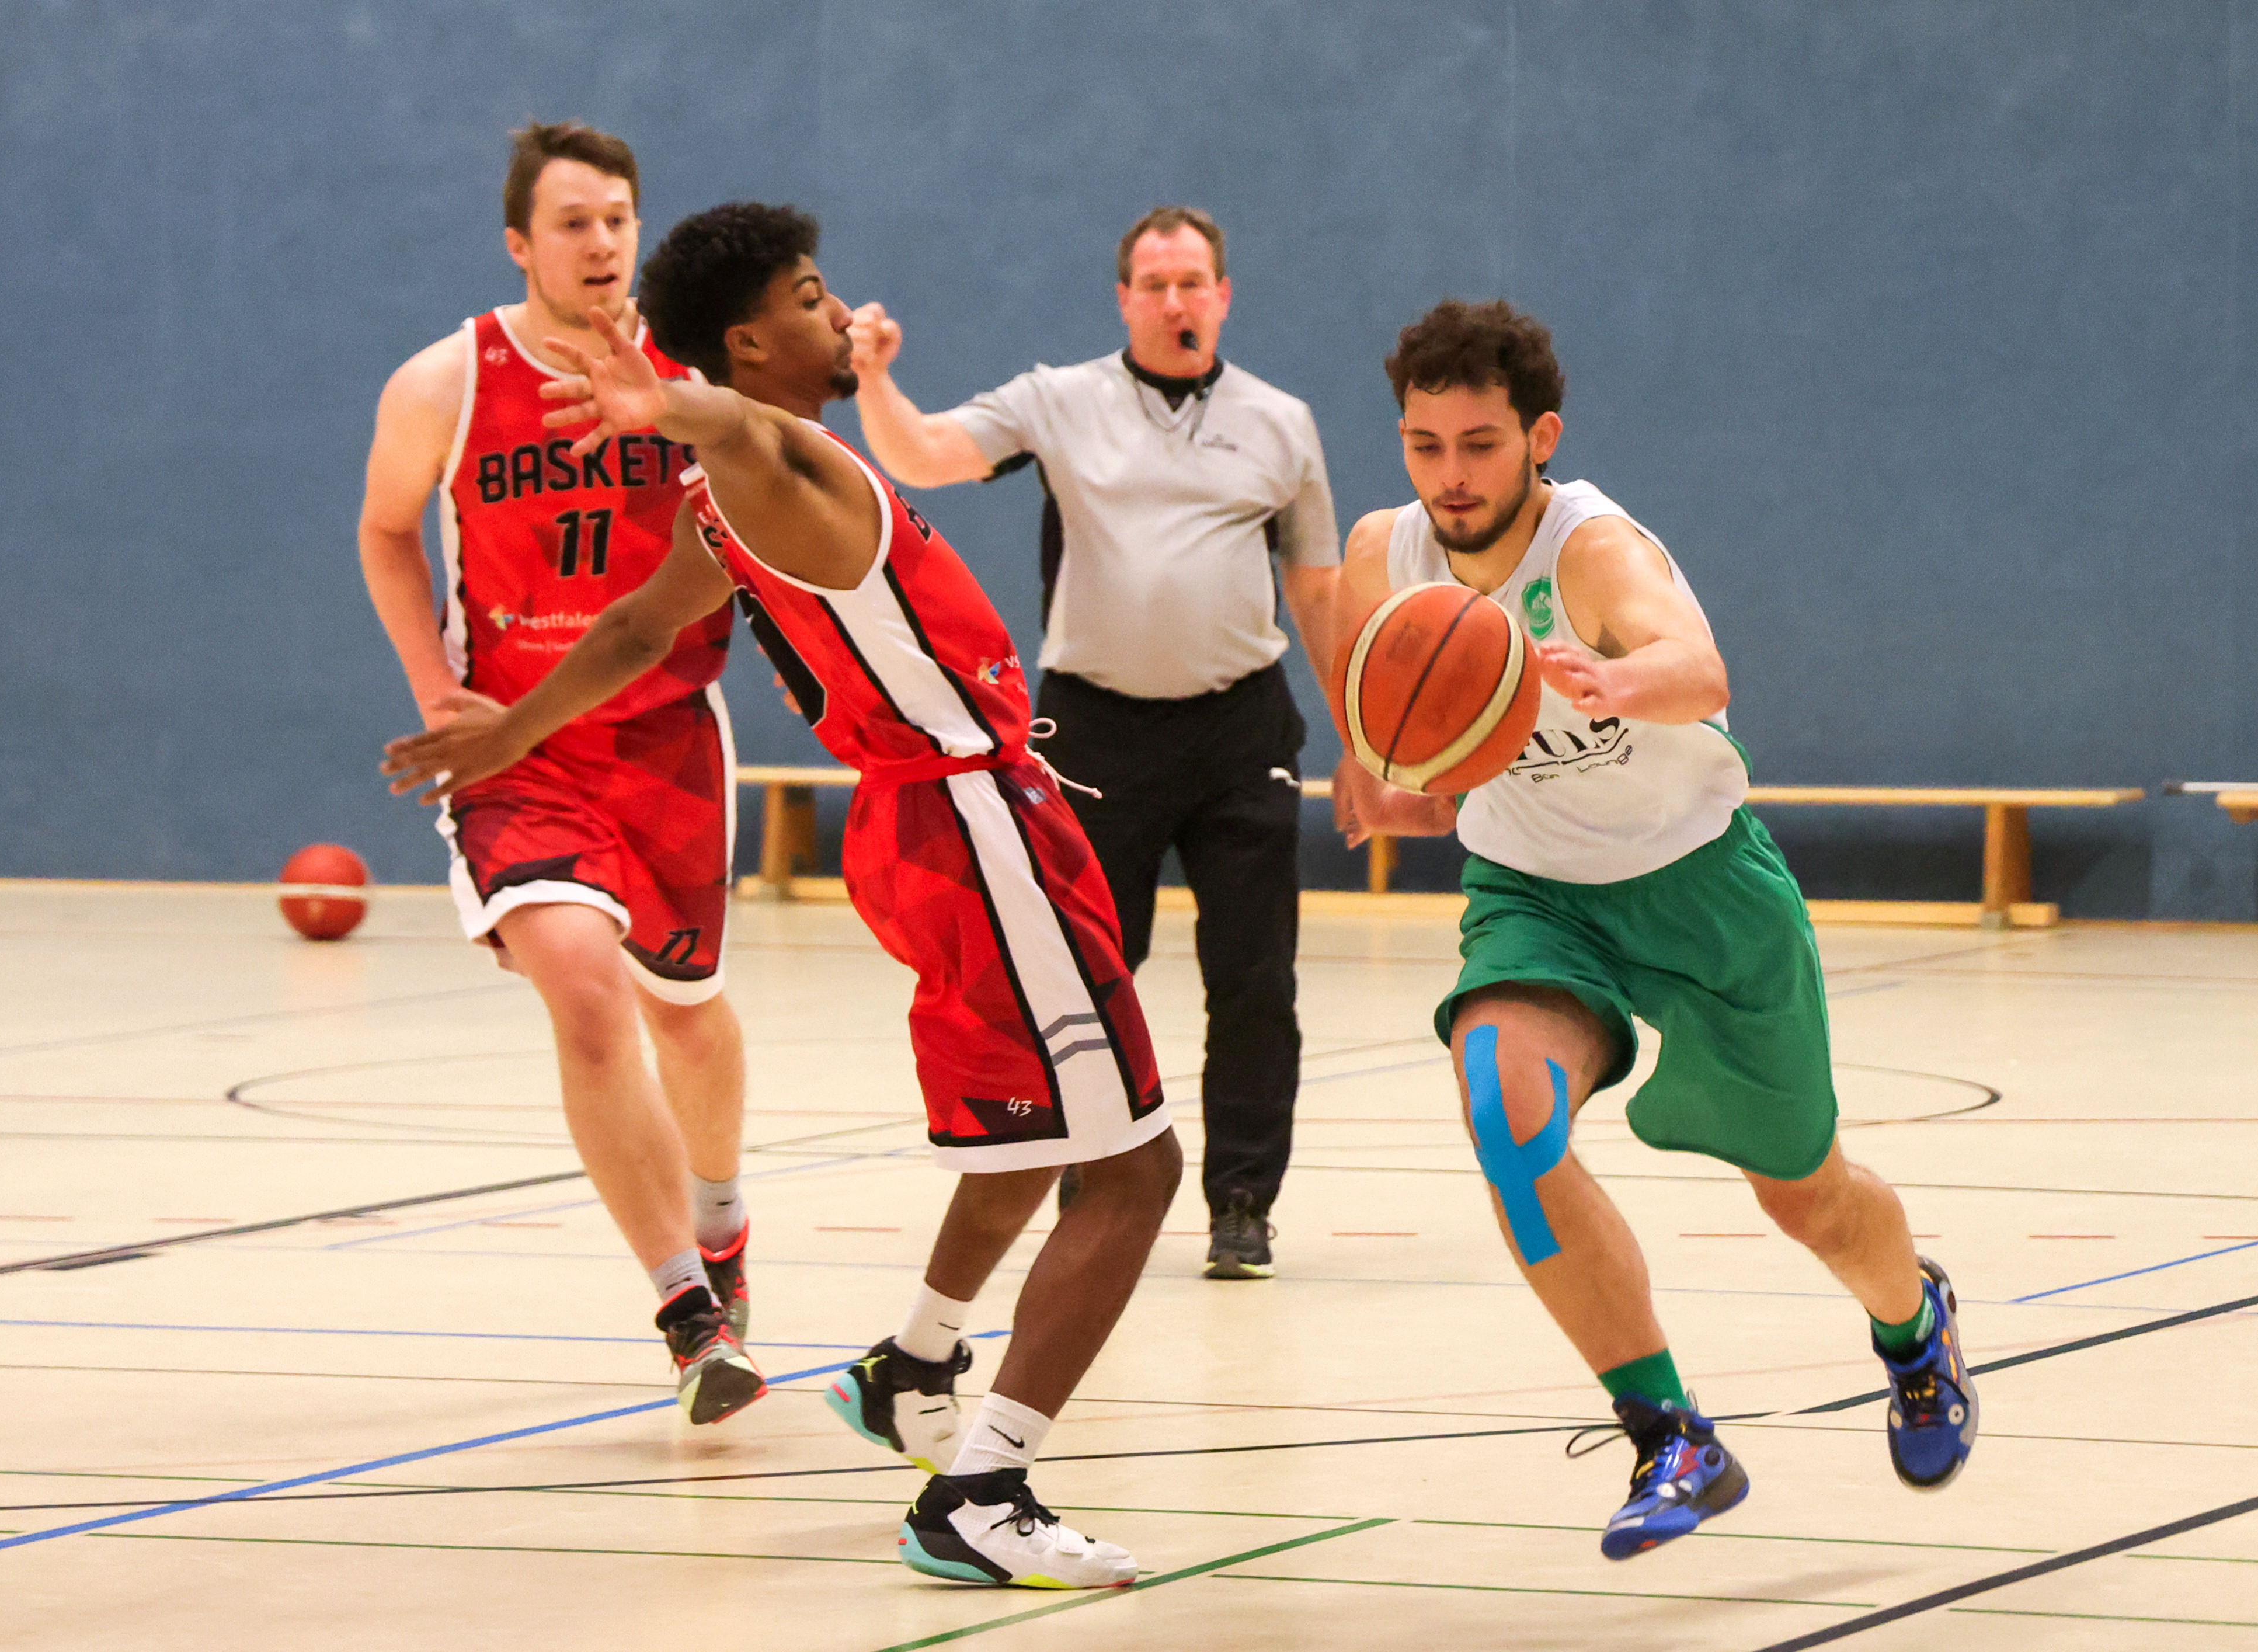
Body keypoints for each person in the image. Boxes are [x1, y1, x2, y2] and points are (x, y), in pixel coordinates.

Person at [383, 203, 1183, 1590]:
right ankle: (984, 1491)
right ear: (749, 343)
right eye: (810, 296)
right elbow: (731, 432)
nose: (839, 310)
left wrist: (510, 729)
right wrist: (670, 402)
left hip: (934, 826)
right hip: (973, 822)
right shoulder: (772, 453)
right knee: (1135, 1168)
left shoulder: (722, 499)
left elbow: (636, 625)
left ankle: (914, 1364)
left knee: (1037, 1129)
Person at [1334, 300, 1978, 1559]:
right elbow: (1388, 700)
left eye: (1479, 444)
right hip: (1535, 895)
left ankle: (1914, 1325)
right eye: (1424, 445)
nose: (1450, 475)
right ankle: (1669, 1432)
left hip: (1701, 887)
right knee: (1504, 1116)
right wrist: (1391, 770)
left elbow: (1700, 667)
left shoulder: (1591, 550)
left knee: (1808, 1200)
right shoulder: (1385, 552)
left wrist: (1612, 679)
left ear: (1540, 438)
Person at [846, 207, 1339, 1278]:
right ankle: (1095, 1177)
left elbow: (1317, 589)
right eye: (1153, 285)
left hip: (1241, 726)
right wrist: (875, 379)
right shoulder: (1057, 401)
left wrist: (1363, 745)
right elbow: (923, 454)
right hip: (1096, 733)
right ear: (1123, 300)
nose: (1174, 302)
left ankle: (1241, 1201)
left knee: (1254, 978)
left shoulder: (1280, 422)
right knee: (1088, 975)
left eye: (1192, 283)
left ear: (1223, 296)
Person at [356, 122, 761, 1425]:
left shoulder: (690, 373)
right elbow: (386, 528)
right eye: (573, 222)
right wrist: (438, 690)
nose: (601, 242)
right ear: (519, 245)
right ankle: (688, 1312)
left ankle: (721, 1221)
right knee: (585, 995)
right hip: (516, 746)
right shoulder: (446, 382)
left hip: (667, 739)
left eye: (618, 219)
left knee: (685, 1013)